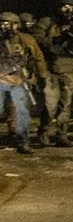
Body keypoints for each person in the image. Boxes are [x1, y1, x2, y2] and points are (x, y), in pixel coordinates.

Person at [32, 0, 73, 147]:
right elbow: (37, 40)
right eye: (64, 6)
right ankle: (44, 131)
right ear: (58, 7)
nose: (68, 9)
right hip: (50, 69)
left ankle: (62, 135)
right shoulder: (46, 22)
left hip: (69, 70)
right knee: (50, 104)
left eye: (71, 7)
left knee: (65, 104)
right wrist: (56, 42)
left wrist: (69, 43)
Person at [0, 12, 50, 154]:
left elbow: (38, 57)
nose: (3, 26)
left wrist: (42, 76)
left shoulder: (25, 39)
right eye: (1, 23)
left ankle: (23, 141)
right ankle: (13, 132)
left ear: (16, 25)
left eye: (7, 23)